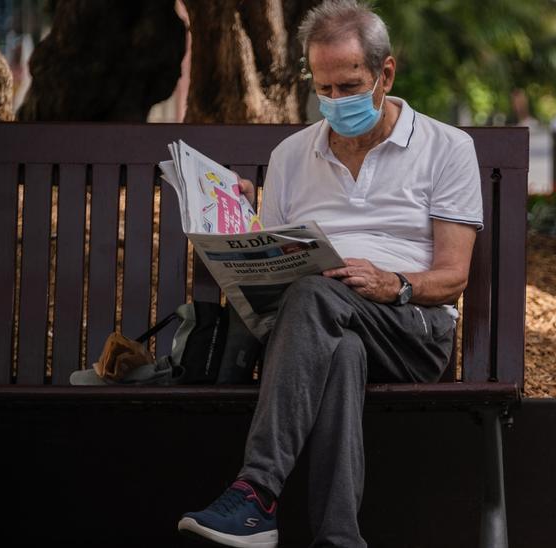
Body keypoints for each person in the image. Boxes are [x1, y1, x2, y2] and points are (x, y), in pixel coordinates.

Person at [175, 1, 484, 546]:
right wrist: (235, 222)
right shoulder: (293, 155)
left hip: (411, 327)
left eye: (349, 85)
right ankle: (339, 539)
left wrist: (395, 283)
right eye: (325, 89)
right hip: (318, 329)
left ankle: (256, 490)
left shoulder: (447, 148)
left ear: (385, 73)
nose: (337, 102)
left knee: (318, 293)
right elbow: (269, 265)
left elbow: (454, 276)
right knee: (341, 352)